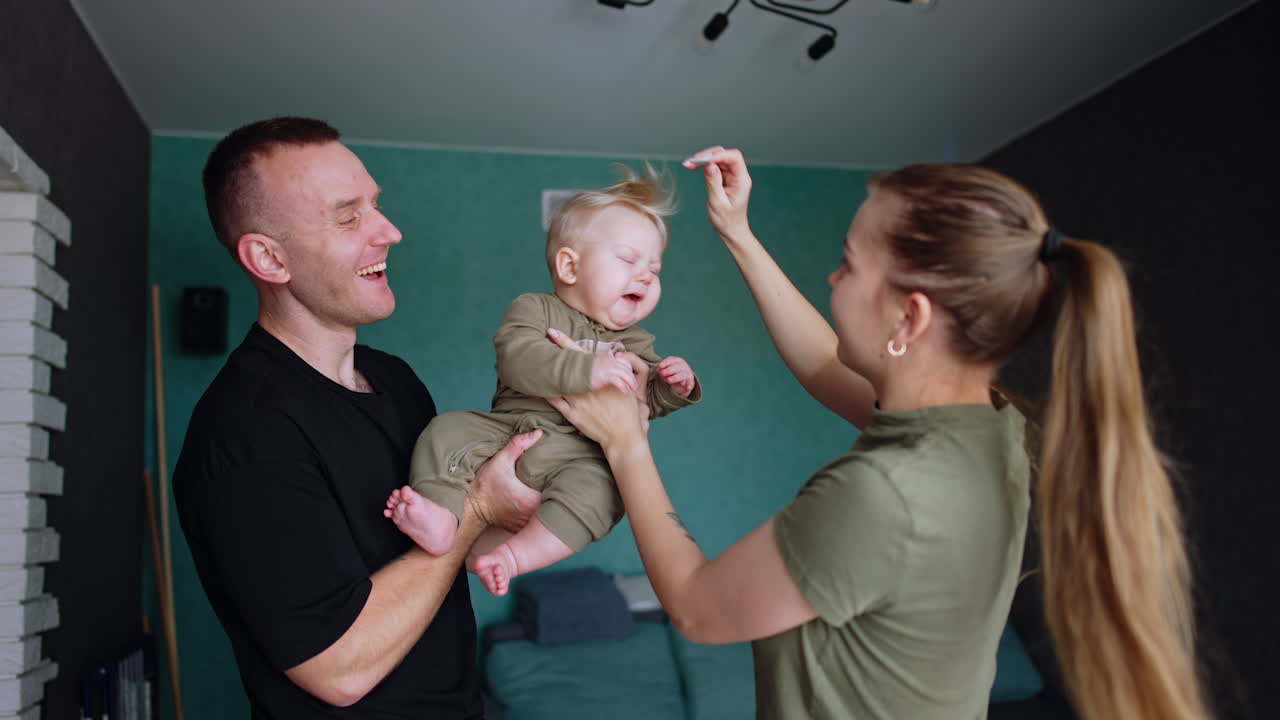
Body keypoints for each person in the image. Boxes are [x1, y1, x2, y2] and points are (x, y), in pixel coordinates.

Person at [547, 147, 1211, 720]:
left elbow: (697, 608)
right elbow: (822, 364)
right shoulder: (991, 433)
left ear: (909, 318)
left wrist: (626, 441)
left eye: (847, 264)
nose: (833, 278)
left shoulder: (884, 494)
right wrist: (738, 233)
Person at [172, 116, 543, 719]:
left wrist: (563, 457)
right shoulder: (244, 432)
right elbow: (337, 667)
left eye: (376, 206)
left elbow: (454, 544)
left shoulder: (394, 379)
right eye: (348, 216)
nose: (390, 231)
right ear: (269, 257)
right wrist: (477, 505)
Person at [383, 163, 701, 597]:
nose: (645, 275)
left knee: (609, 493)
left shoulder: (637, 342)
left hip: (580, 458)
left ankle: (513, 557)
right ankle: (442, 516)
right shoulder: (535, 309)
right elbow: (519, 360)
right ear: (570, 267)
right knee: (446, 431)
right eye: (629, 260)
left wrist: (671, 386)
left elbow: (644, 405)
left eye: (655, 268)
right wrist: (588, 370)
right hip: (508, 433)